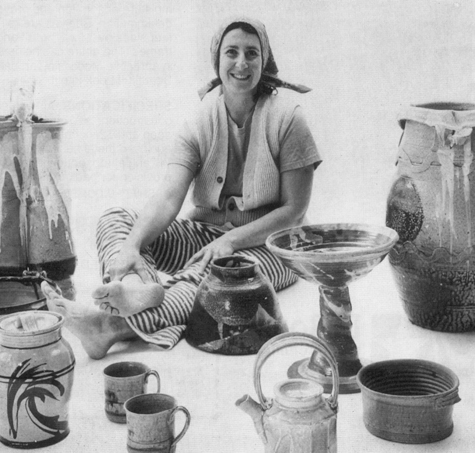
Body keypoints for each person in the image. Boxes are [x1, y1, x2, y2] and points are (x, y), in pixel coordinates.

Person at [42, 16, 321, 359]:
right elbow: (169, 196)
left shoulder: (289, 117)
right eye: (231, 52)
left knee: (207, 276)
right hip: (206, 234)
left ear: (265, 61)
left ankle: (107, 327)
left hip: (274, 247)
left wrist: (231, 240)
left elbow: (294, 211)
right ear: (217, 60)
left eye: (252, 53)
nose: (241, 63)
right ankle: (134, 289)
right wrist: (132, 246)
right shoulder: (200, 120)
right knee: (117, 218)